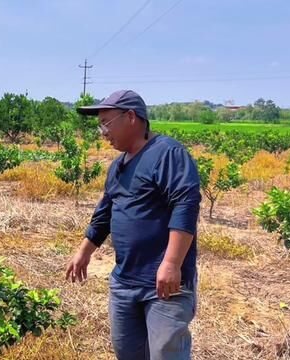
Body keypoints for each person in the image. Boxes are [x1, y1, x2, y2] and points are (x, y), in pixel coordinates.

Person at [65, 90, 201, 360]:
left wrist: (171, 263)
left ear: (130, 117)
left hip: (164, 285)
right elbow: (104, 214)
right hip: (125, 281)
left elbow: (185, 204)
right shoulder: (117, 166)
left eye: (106, 122)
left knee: (165, 354)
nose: (102, 131)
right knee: (128, 353)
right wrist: (84, 252)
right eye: (99, 125)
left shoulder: (168, 154)